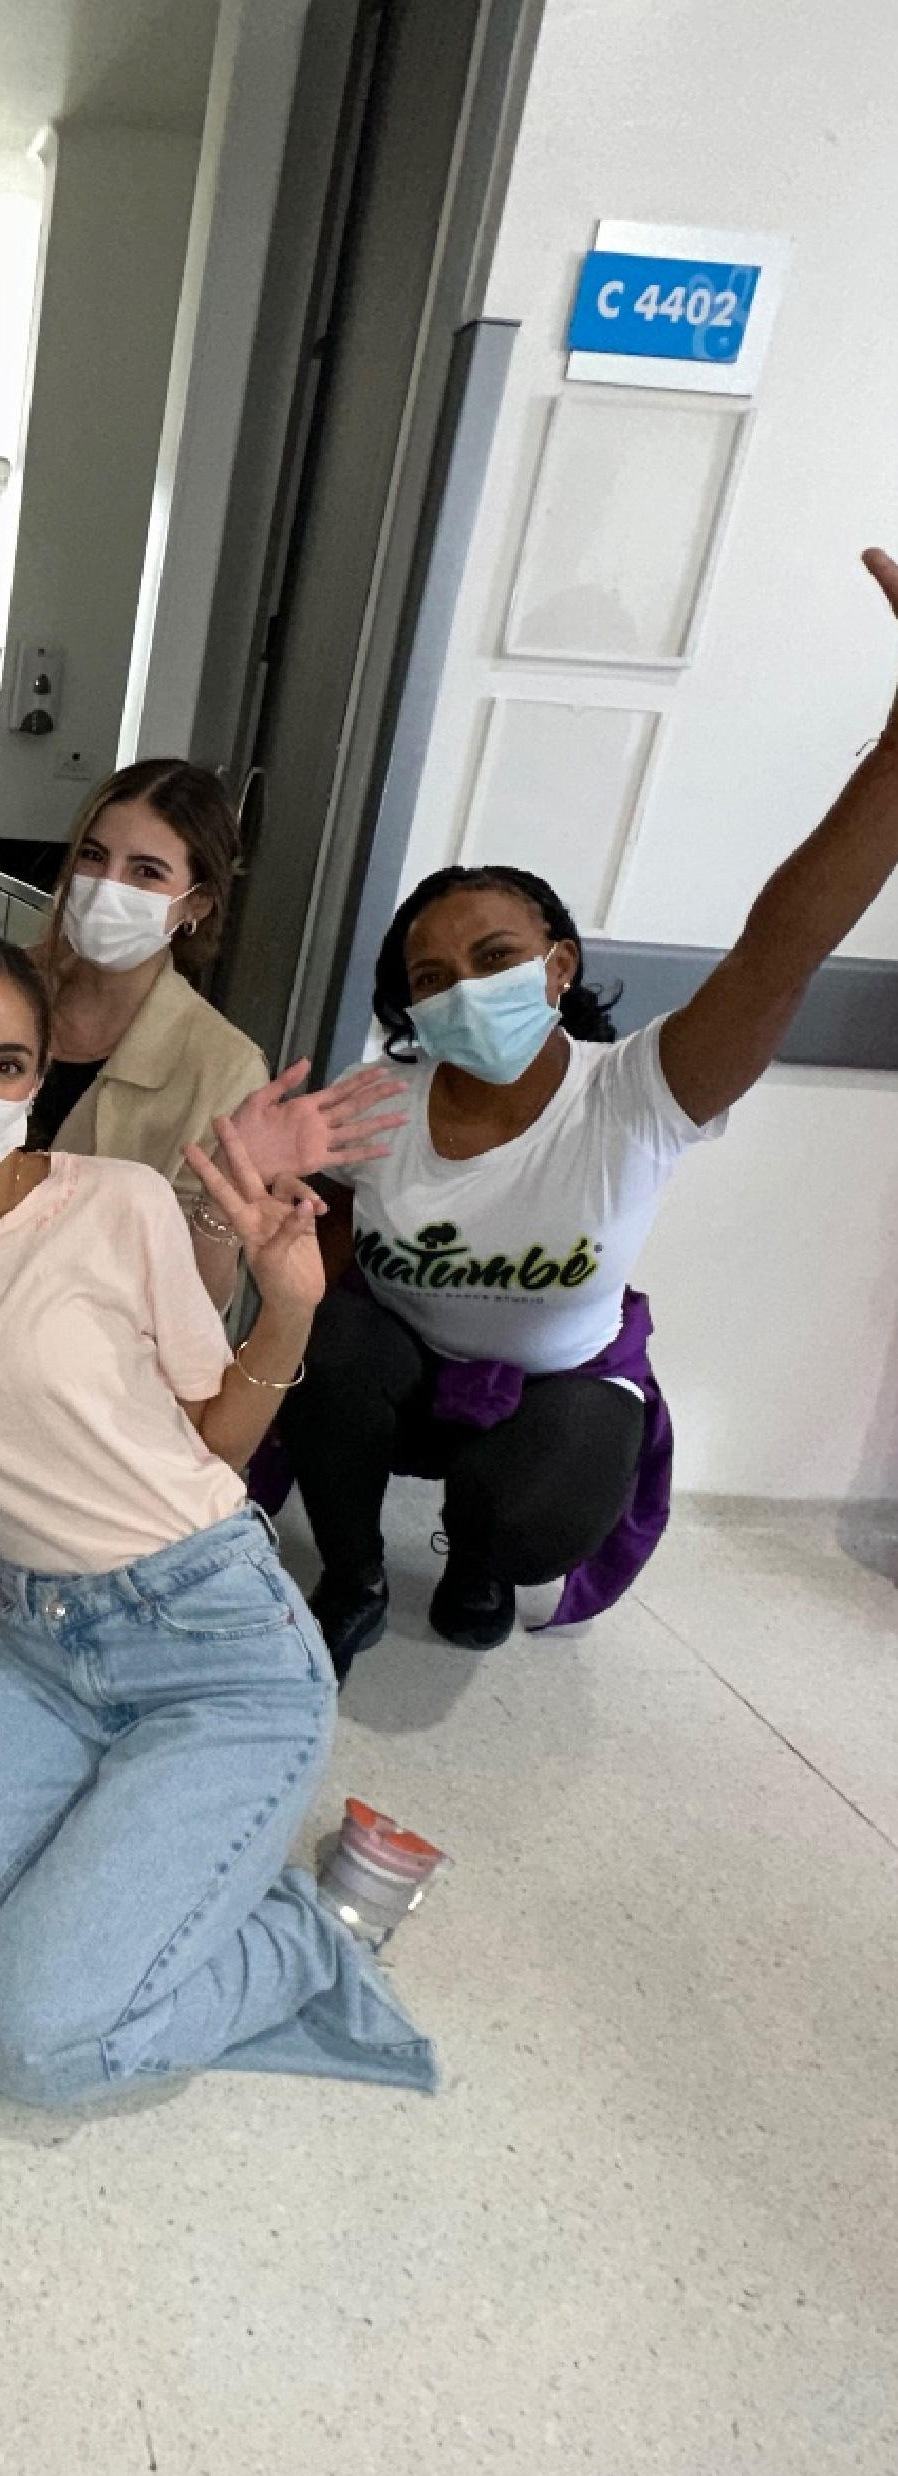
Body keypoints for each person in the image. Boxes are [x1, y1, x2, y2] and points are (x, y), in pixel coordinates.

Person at [0, 931, 437, 2108]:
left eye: (2, 1063)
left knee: (27, 2040)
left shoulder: (119, 1202)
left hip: (214, 1646)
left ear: (38, 1082)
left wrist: (286, 1311)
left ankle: (308, 1930)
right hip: (38, 1650)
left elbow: (216, 1442)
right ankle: (132, 1865)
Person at [281, 545, 898, 1674]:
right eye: (430, 975)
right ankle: (354, 1564)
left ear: (558, 965)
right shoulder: (376, 1102)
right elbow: (302, 1253)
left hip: (560, 1389)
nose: (463, 986)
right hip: (407, 1369)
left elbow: (783, 946)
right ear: (405, 1006)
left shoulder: (639, 1094)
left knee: (531, 1513)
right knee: (325, 1338)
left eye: (495, 955)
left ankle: (478, 1557)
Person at [0, 759, 405, 1636]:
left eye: (147, 872)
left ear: (196, 904)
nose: (109, 887)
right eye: (95, 858)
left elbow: (200, 1300)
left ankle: (44, 1553)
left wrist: (229, 1198)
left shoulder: (219, 1063)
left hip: (99, 1350)